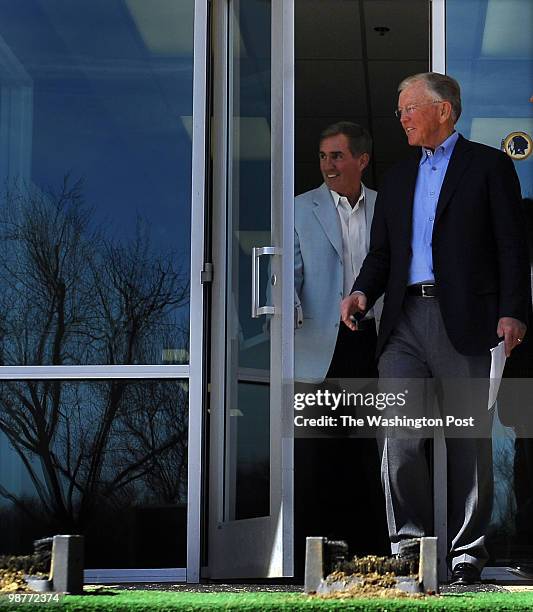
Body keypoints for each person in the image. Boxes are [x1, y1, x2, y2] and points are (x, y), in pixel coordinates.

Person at [340, 72, 530, 585]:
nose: (400, 117)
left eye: (409, 107)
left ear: (444, 110)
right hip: (403, 322)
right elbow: (382, 253)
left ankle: (469, 550)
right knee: (399, 437)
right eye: (399, 109)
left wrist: (514, 311)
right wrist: (361, 291)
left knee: (470, 439)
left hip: (466, 319)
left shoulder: (489, 166)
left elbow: (512, 245)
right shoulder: (398, 179)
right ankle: (408, 544)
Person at [293, 122, 387, 574]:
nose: (328, 165)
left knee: (370, 453)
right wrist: (286, 307)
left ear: (361, 160)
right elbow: (285, 270)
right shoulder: (298, 208)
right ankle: (316, 562)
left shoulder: (387, 208)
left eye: (337, 156)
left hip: (372, 341)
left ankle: (375, 557)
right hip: (318, 344)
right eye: (323, 156)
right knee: (317, 456)